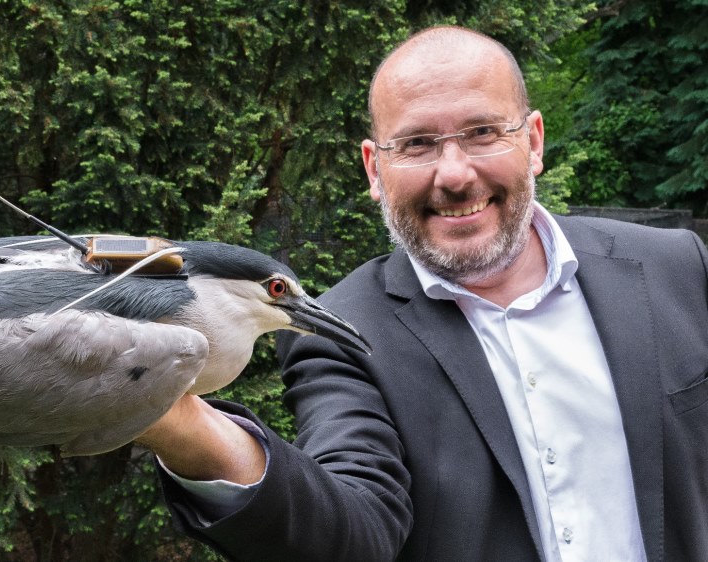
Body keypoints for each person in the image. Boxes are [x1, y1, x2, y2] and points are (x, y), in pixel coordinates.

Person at [136, 25, 708, 561]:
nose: (454, 175)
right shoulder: (342, 332)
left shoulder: (679, 267)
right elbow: (350, 533)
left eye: (483, 132)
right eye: (417, 143)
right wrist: (179, 421)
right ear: (374, 170)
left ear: (533, 141)